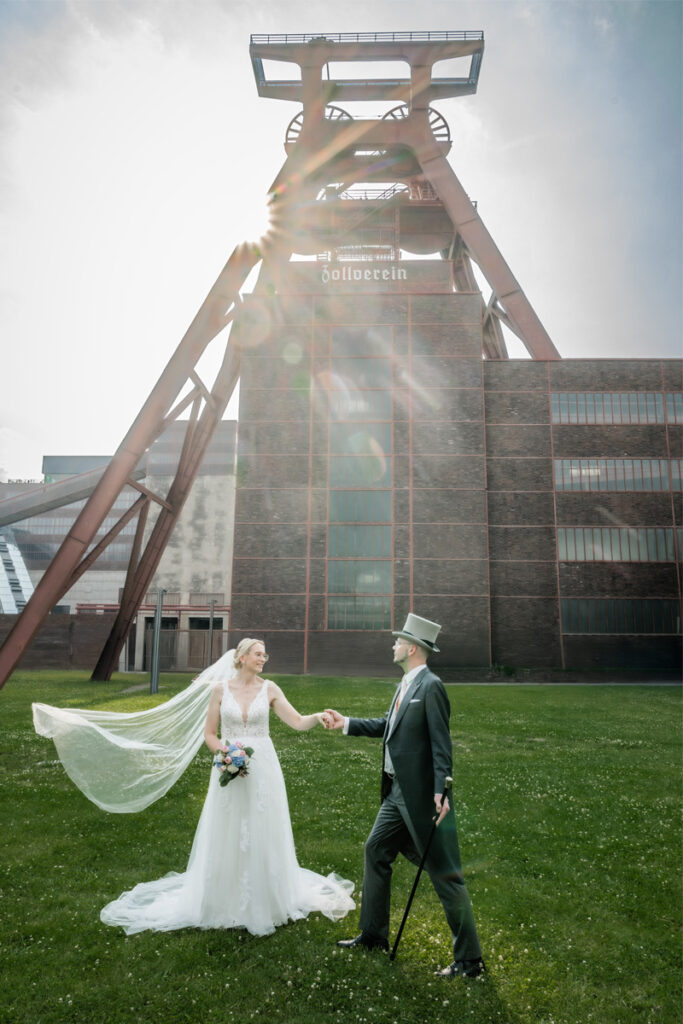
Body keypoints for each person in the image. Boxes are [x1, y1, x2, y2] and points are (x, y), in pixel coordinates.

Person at [33, 638, 354, 936]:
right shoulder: (219, 690)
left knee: (263, 826)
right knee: (227, 828)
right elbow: (210, 734)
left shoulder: (269, 688)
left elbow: (296, 721)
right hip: (230, 765)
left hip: (264, 768)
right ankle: (224, 898)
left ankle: (267, 898)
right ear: (242, 658)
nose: (263, 659)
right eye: (259, 654)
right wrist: (226, 754)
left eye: (265, 655)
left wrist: (317, 717)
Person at [323, 614, 484, 979]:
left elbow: (442, 745)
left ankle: (470, 961)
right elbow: (387, 726)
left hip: (424, 800)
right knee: (375, 849)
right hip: (396, 794)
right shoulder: (405, 685)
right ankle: (373, 934)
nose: (392, 645)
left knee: (446, 875)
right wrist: (344, 722)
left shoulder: (431, 686)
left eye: (397, 641)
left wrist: (441, 792)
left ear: (412, 648)